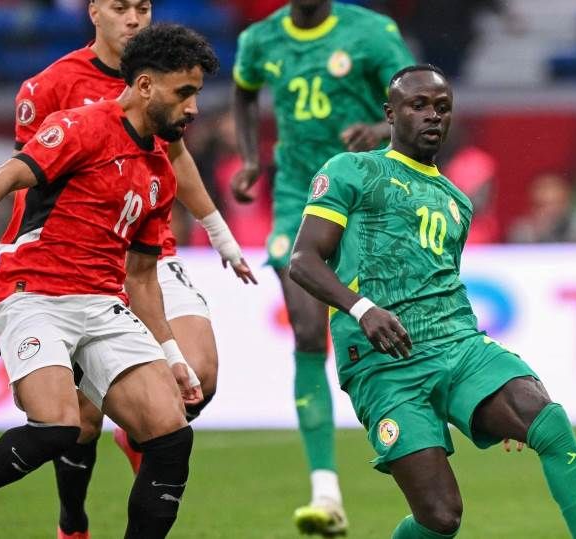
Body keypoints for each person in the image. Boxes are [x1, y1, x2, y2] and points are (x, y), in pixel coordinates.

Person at [289, 64, 576, 538]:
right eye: (418, 105)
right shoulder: (352, 170)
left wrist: (506, 391)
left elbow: (440, 282)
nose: (432, 115)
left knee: (548, 421)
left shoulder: (457, 201)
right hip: (383, 362)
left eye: (442, 107)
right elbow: (303, 261)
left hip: (458, 344)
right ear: (390, 114)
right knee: (440, 518)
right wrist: (363, 309)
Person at [0, 24, 219, 539]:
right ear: (145, 85)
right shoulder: (81, 127)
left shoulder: (160, 172)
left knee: (170, 434)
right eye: (184, 93)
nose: (193, 108)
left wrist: (172, 354)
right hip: (34, 294)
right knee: (59, 427)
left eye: (197, 94)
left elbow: (141, 277)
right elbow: (6, 176)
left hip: (103, 302)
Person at [9, 2, 256, 537]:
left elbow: (177, 159)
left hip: (148, 252)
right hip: (82, 263)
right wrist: (25, 258)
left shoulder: (168, 79)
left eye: (142, 6)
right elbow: (25, 179)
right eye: (119, 6)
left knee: (200, 375)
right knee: (80, 419)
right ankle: (73, 521)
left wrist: (219, 232)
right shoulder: (50, 86)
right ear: (94, 11)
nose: (133, 18)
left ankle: (138, 429)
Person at [231, 0, 414, 534]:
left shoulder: (371, 32)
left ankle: (423, 447)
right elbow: (243, 92)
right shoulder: (260, 40)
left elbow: (418, 100)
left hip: (366, 192)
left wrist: (379, 131)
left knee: (399, 328)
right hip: (298, 195)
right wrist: (250, 158)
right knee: (309, 332)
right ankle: (326, 492)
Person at [508, 172, 576, 243]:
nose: (549, 211)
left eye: (555, 204)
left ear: (566, 202)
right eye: (542, 205)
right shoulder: (522, 230)